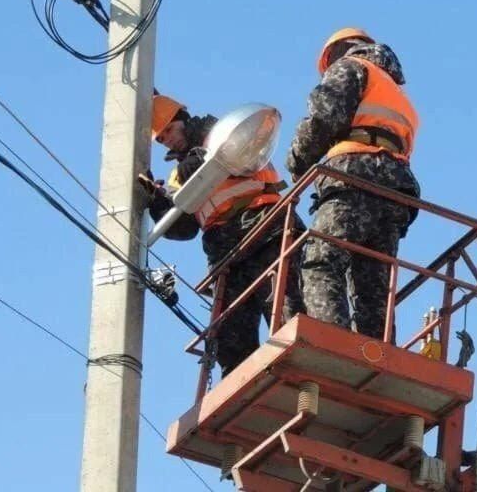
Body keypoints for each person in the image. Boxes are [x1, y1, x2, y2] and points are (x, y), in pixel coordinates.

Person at [141, 93, 306, 376]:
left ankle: (303, 368)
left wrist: (186, 171)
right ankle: (245, 389)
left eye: (169, 130)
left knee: (286, 309)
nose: (167, 139)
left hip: (264, 229)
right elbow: (184, 228)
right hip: (226, 253)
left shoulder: (223, 134)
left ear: (182, 119)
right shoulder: (177, 178)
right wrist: (156, 200)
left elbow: (212, 158)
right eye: (161, 139)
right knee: (230, 336)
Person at [286, 28, 420, 340]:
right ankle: (378, 350)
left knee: (321, 259)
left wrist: (297, 160)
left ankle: (331, 341)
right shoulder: (394, 90)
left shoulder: (350, 68)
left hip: (354, 175)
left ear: (340, 51)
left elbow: (325, 117)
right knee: (373, 283)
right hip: (395, 187)